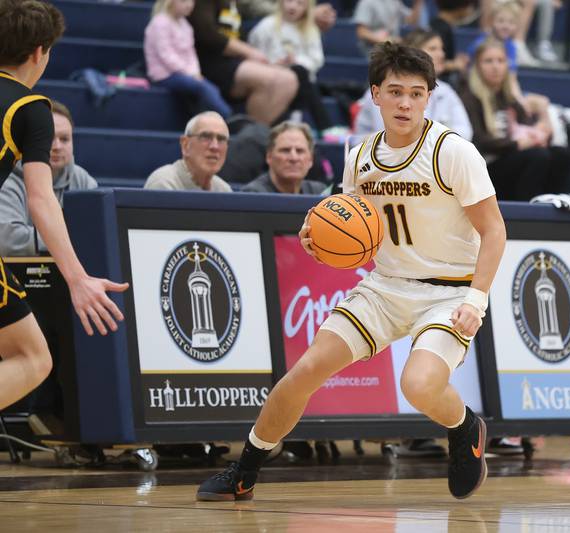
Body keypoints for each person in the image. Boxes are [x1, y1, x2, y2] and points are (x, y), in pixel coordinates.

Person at [197, 41, 506, 502]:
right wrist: (318, 240)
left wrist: (475, 302)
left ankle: (465, 427)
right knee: (304, 372)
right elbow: (351, 225)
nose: (405, 103)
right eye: (396, 92)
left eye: (417, 94)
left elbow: (495, 231)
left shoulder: (453, 153)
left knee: (418, 386)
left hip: (448, 291)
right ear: (375, 94)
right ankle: (244, 471)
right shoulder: (359, 155)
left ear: (429, 98)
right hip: (384, 287)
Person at [0, 0, 128, 411]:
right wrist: (77, 278)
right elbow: (40, 198)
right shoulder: (29, 107)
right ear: (39, 51)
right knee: (32, 358)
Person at [460, 38, 570, 201]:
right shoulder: (469, 98)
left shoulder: (509, 97)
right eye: (488, 61)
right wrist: (516, 144)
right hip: (487, 166)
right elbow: (478, 140)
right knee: (538, 156)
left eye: (500, 61)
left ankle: (553, 207)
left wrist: (538, 133)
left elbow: (527, 127)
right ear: (477, 66)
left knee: (561, 155)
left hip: (513, 158)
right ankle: (525, 211)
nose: (495, 66)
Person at [0, 101, 97, 256]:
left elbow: (97, 233)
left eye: (64, 139)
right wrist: (67, 241)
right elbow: (8, 241)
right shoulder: (6, 179)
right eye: (49, 138)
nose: (57, 146)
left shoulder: (84, 180)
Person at [188, 0, 298, 126]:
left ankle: (254, 135)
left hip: (234, 61)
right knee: (278, 79)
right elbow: (207, 33)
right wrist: (248, 51)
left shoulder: (236, 3)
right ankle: (251, 138)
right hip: (208, 64)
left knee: (290, 79)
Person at [355, 29, 473, 142]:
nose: (441, 54)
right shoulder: (381, 90)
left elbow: (465, 132)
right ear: (413, 53)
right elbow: (359, 138)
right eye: (433, 48)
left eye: (441, 49)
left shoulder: (446, 91)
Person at [247, 0, 335, 134]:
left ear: (307, 8)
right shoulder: (266, 25)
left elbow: (316, 60)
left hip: (300, 79)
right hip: (271, 76)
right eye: (289, 1)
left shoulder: (310, 29)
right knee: (298, 75)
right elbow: (254, 53)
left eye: (300, 3)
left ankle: (296, 122)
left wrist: (295, 60)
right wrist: (274, 64)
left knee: (299, 72)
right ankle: (324, 125)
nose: (293, 6)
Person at [144, 0, 232, 118]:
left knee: (211, 88)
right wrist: (190, 73)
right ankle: (228, 117)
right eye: (184, 1)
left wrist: (196, 72)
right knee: (202, 87)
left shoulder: (186, 25)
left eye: (192, 1)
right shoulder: (160, 23)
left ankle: (212, 119)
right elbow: (166, 55)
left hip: (185, 73)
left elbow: (191, 54)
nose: (190, 5)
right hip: (164, 75)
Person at [144, 111, 233, 191]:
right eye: (205, 137)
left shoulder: (224, 189)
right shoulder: (164, 183)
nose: (214, 146)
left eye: (221, 139)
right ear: (185, 145)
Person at [241, 121, 327, 194]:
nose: (294, 158)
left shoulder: (319, 192)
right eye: (285, 150)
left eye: (300, 151)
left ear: (311, 159)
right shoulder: (253, 194)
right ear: (269, 157)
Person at [353, 0, 425, 56]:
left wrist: (418, 3)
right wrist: (386, 40)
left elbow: (411, 21)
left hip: (392, 48)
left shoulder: (395, 2)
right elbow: (361, 32)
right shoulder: (367, 2)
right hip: (372, 49)